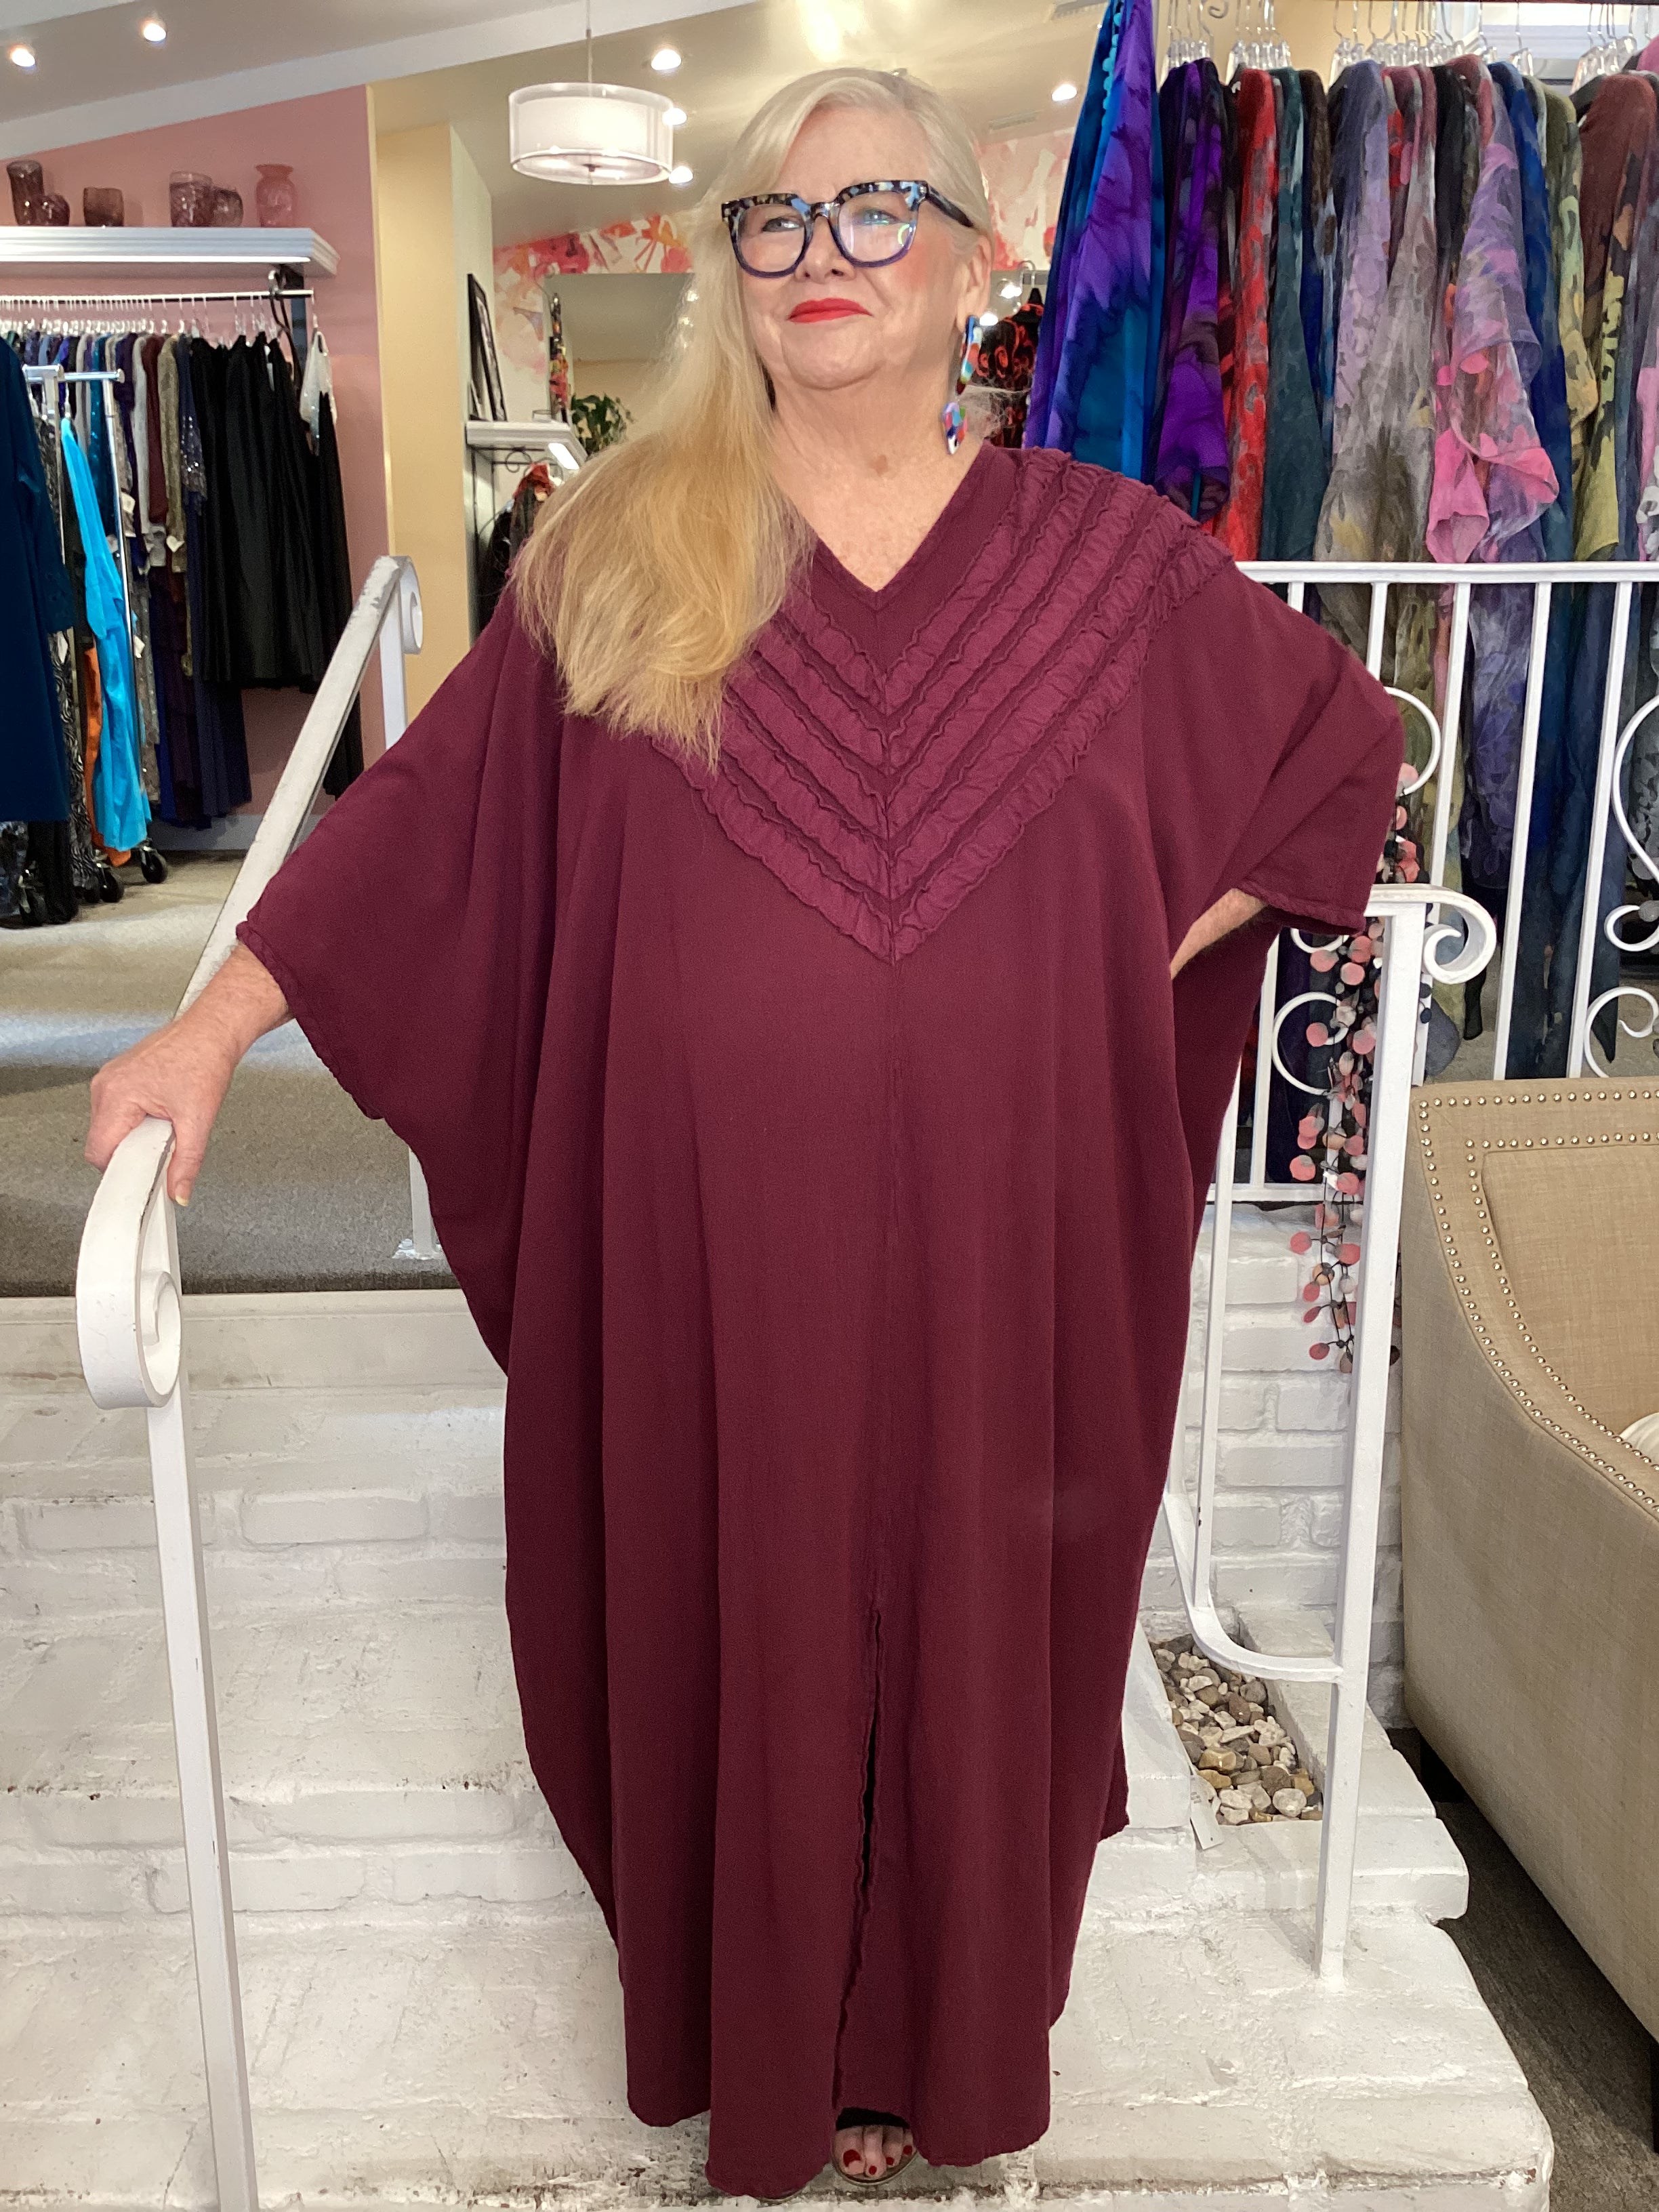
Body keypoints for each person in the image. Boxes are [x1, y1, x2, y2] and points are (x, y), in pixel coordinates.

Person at [85, 65, 1404, 2203]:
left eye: (876, 212)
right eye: (776, 224)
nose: (820, 259)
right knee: (739, 1612)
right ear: (733, 271)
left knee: (978, 1616)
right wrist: (214, 1027)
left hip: (998, 1247)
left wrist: (1116, 942)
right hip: (708, 1255)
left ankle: (937, 2051)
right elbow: (424, 834)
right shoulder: (621, 554)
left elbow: (1338, 761)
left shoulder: (1111, 566)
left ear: (974, 260)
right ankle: (771, 2051)